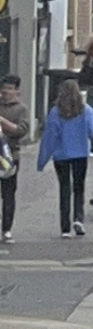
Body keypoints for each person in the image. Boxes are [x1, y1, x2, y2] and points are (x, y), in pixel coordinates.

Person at [37, 79, 93, 237]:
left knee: (64, 189)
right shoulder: (85, 110)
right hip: (80, 153)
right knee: (79, 188)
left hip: (61, 155)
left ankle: (65, 228)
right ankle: (78, 218)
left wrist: (42, 161)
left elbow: (49, 137)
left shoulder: (55, 112)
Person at [0, 75, 30, 242]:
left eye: (10, 89)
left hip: (10, 155)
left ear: (17, 91)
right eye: (4, 88)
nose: (6, 92)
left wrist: (3, 122)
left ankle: (6, 229)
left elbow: (21, 130)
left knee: (8, 194)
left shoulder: (21, 109)